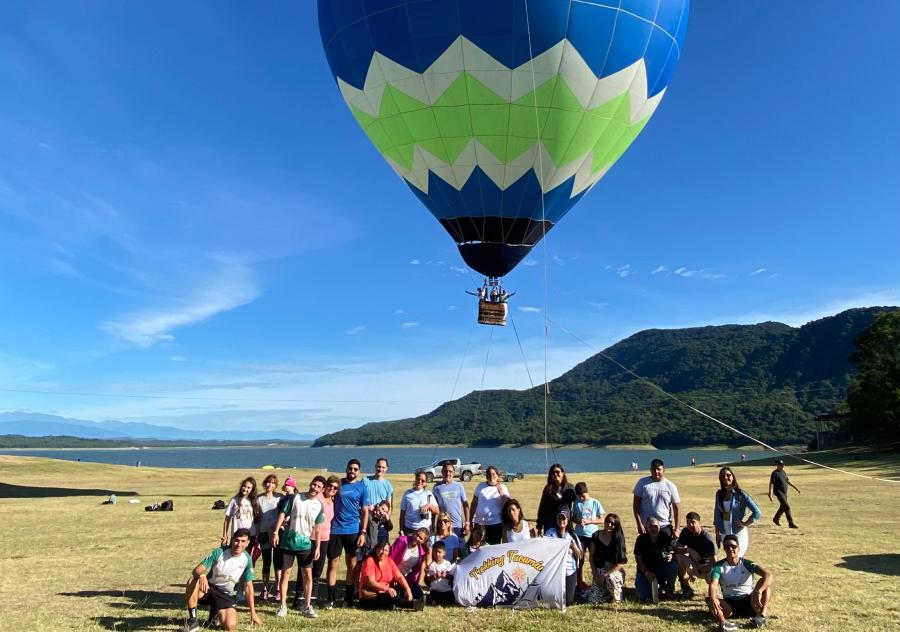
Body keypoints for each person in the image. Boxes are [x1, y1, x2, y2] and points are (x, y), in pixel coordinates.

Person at [181, 528, 261, 632]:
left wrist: (253, 613)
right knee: (192, 580)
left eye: (243, 541)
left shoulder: (247, 559)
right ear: (232, 540)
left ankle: (215, 615)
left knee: (230, 625)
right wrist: (202, 576)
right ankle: (193, 621)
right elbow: (196, 571)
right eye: (236, 540)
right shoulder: (219, 552)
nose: (239, 544)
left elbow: (249, 587)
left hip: (226, 595)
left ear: (248, 543)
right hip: (208, 590)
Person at [272, 476, 325, 618]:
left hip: (305, 544)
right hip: (288, 542)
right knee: (285, 574)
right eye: (314, 484)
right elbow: (283, 513)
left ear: (322, 490)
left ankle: (307, 606)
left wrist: (318, 547)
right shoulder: (295, 498)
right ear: (310, 484)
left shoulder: (319, 506)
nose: (315, 488)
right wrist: (276, 532)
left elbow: (318, 529)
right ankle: (282, 606)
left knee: (308, 575)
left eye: (319, 487)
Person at [326, 459, 370, 608]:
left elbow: (365, 511)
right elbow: (327, 495)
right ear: (346, 469)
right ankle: (331, 599)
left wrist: (363, 532)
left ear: (359, 471)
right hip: (335, 530)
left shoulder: (362, 488)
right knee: (333, 563)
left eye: (355, 469)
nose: (352, 471)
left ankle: (348, 598)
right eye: (350, 468)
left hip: (353, 530)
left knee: (351, 564)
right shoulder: (339, 484)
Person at [707, 534, 774, 631]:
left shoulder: (747, 563)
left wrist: (758, 591)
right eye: (727, 546)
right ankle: (723, 623)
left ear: (738, 548)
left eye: (733, 546)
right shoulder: (718, 566)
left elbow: (768, 574)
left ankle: (761, 617)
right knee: (711, 598)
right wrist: (713, 598)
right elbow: (713, 584)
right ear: (724, 549)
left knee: (766, 588)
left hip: (749, 600)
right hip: (730, 603)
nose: (730, 549)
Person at [357, 540, 422, 611]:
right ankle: (411, 605)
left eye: (386, 550)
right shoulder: (370, 560)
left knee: (405, 586)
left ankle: (417, 598)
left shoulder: (389, 561)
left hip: (385, 592)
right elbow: (370, 582)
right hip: (370, 596)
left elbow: (399, 576)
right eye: (381, 549)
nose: (383, 552)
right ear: (376, 549)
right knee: (389, 596)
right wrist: (386, 589)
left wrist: (408, 589)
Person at [714, 467, 762, 556]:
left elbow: (757, 512)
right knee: (729, 557)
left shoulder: (741, 494)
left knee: (737, 557)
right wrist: (717, 533)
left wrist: (745, 523)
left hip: (737, 531)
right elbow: (716, 515)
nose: (725, 477)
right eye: (722, 476)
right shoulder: (719, 494)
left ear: (733, 477)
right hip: (724, 531)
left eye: (728, 475)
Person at [633, 458, 681, 537]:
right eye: (654, 469)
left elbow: (677, 508)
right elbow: (636, 506)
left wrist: (677, 529)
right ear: (650, 470)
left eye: (659, 469)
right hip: (646, 526)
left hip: (664, 526)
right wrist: (639, 524)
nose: (656, 472)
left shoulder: (670, 486)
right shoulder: (642, 483)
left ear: (663, 470)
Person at [634, 516, 678, 602]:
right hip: (645, 572)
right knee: (643, 596)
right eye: (651, 526)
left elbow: (673, 550)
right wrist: (647, 573)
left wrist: (671, 556)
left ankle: (668, 591)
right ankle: (653, 589)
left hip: (660, 570)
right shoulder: (641, 539)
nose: (653, 529)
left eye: (656, 526)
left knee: (673, 567)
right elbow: (638, 559)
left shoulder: (665, 537)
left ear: (659, 527)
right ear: (646, 527)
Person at [545, 508, 583, 606]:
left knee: (568, 601)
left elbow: (580, 555)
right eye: (559, 519)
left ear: (567, 521)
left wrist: (573, 546)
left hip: (569, 571)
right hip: (554, 571)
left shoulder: (572, 536)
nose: (561, 521)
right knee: (552, 599)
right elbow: (544, 549)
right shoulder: (550, 533)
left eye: (564, 519)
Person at [675, 511, 717, 598]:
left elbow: (714, 563)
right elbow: (677, 549)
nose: (690, 525)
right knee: (678, 557)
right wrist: (688, 550)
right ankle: (686, 587)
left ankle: (715, 594)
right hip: (693, 564)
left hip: (706, 567)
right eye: (688, 522)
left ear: (700, 523)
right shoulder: (686, 532)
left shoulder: (708, 539)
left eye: (693, 522)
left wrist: (699, 571)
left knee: (713, 577)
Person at [588, 513, 627, 604]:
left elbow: (621, 562)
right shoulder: (596, 535)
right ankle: (607, 594)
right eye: (607, 522)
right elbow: (591, 557)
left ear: (616, 525)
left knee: (610, 578)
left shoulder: (618, 538)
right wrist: (595, 575)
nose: (609, 525)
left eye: (612, 523)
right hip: (599, 570)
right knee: (594, 601)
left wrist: (605, 575)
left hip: (613, 571)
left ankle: (617, 595)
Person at [572, 481, 604, 589]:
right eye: (579, 497)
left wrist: (590, 521)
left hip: (592, 535)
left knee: (594, 559)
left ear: (587, 492)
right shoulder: (576, 503)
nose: (581, 498)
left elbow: (602, 519)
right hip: (580, 535)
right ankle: (579, 582)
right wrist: (578, 521)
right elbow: (573, 517)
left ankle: (596, 581)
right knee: (579, 559)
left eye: (583, 496)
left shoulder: (595, 503)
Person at [256, 474, 282, 601]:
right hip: (263, 533)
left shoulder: (279, 498)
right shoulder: (258, 499)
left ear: (276, 485)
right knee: (266, 562)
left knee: (277, 562)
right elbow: (257, 519)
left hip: (277, 533)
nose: (269, 485)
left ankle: (278, 589)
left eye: (272, 483)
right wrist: (256, 536)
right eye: (267, 482)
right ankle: (264, 589)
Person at [469, 466, 510, 544]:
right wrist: (470, 520)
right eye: (489, 474)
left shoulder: (503, 487)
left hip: (496, 524)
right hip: (479, 523)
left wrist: (501, 493)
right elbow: (474, 503)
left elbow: (507, 505)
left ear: (497, 475)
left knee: (492, 548)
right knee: (476, 546)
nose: (491, 476)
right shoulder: (480, 486)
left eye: (493, 474)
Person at [536, 464, 577, 536]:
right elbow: (542, 507)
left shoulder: (570, 488)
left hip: (564, 520)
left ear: (563, 473)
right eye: (552, 473)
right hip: (550, 521)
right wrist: (539, 526)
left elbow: (577, 503)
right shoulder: (548, 489)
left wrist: (576, 517)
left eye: (557, 472)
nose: (555, 474)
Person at [389, 527, 430, 599]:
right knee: (394, 596)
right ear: (414, 533)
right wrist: (394, 577)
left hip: (406, 578)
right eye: (417, 535)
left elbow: (415, 571)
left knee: (418, 595)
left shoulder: (422, 552)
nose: (417, 538)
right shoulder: (402, 540)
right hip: (393, 576)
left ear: (423, 541)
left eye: (420, 538)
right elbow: (390, 559)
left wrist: (407, 583)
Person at [433, 463, 470, 538]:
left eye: (450, 471)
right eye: (445, 471)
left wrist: (467, 523)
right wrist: (433, 525)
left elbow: (465, 506)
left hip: (457, 525)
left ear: (453, 473)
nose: (448, 473)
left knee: (458, 548)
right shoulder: (436, 487)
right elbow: (434, 508)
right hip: (443, 526)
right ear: (442, 472)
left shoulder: (459, 486)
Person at [222, 477, 260, 548]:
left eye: (249, 488)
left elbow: (257, 521)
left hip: (251, 535)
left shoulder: (255, 502)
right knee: (234, 557)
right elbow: (227, 519)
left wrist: (257, 535)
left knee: (247, 557)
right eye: (244, 486)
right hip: (236, 535)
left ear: (252, 490)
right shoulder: (234, 500)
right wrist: (225, 535)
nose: (245, 489)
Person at [364, 458, 394, 540]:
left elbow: (390, 505)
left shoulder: (388, 485)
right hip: (367, 522)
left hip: (381, 525)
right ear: (375, 466)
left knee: (382, 549)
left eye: (383, 467)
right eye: (379, 466)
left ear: (386, 469)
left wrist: (386, 519)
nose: (380, 469)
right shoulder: (365, 481)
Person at [768, 459, 800, 528]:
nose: (782, 466)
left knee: (783, 507)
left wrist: (795, 488)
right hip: (779, 493)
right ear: (777, 465)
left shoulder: (783, 472)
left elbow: (788, 481)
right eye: (780, 465)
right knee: (787, 507)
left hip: (784, 492)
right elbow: (771, 483)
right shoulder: (774, 473)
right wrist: (770, 493)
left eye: (782, 465)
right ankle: (791, 523)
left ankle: (776, 519)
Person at [425, 541, 457, 606]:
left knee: (451, 600)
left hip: (447, 590)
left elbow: (452, 578)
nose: (437, 554)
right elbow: (427, 580)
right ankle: (433, 600)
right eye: (435, 552)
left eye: (439, 552)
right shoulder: (432, 565)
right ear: (432, 553)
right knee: (434, 596)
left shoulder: (447, 564)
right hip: (435, 591)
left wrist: (447, 576)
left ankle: (438, 601)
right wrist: (434, 576)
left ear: (444, 553)